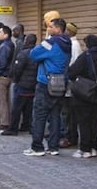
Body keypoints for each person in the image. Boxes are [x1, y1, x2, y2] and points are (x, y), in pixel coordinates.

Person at [23, 18, 71, 156]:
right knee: (55, 115)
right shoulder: (67, 44)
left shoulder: (51, 43)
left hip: (46, 83)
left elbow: (33, 54)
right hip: (61, 83)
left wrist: (46, 40)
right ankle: (53, 146)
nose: (48, 29)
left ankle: (37, 147)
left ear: (57, 29)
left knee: (40, 115)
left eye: (50, 26)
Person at [68, 35, 97, 158]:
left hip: (84, 93)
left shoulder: (86, 56)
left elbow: (72, 72)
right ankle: (94, 147)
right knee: (95, 120)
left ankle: (85, 149)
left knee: (84, 120)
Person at [1, 34, 37, 136]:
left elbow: (18, 69)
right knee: (29, 108)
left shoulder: (23, 54)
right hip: (33, 85)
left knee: (16, 108)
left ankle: (13, 128)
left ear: (27, 41)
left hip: (22, 85)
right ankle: (27, 125)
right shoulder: (37, 52)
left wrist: (15, 80)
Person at [60, 22, 83, 148]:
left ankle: (70, 137)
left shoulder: (73, 45)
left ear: (69, 31)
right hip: (70, 83)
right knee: (68, 112)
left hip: (70, 84)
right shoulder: (73, 44)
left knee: (69, 113)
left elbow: (71, 64)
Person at [0, 25, 15, 130]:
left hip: (2, 76)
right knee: (6, 100)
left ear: (6, 35)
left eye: (0, 32)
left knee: (1, 100)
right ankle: (8, 120)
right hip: (8, 74)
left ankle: (4, 122)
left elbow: (2, 62)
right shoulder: (10, 44)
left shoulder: (5, 46)